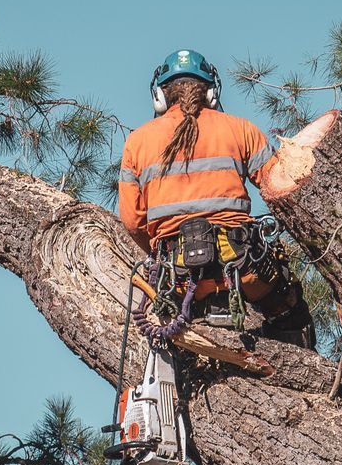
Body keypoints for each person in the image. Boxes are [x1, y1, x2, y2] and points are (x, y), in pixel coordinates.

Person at [117, 49, 312, 344]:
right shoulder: (241, 130)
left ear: (160, 96)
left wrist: (157, 253)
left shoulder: (137, 142)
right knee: (289, 310)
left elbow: (132, 222)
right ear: (210, 92)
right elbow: (281, 187)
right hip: (244, 269)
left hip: (178, 276)